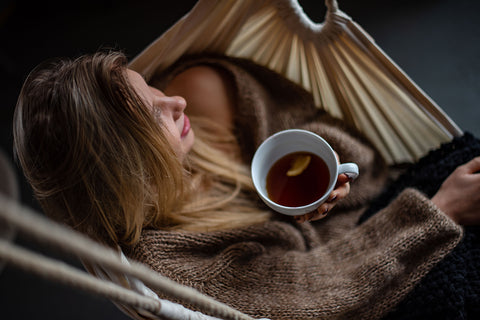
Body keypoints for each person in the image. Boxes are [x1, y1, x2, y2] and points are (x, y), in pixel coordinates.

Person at [13, 50, 480, 319]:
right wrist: (438, 212)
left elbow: (371, 168)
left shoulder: (205, 102)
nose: (173, 100)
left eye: (151, 87)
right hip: (366, 280)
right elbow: (311, 295)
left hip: (377, 222)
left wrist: (321, 175)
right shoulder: (166, 263)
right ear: (123, 167)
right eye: (152, 113)